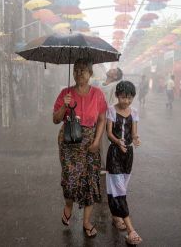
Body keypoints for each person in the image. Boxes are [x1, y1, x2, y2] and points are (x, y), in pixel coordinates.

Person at [53, 58, 107, 237]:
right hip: (69, 141)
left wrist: (97, 141)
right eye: (76, 70)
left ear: (90, 73)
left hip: (91, 142)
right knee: (70, 179)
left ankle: (86, 222)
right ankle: (68, 205)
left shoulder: (98, 94)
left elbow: (101, 119)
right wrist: (65, 106)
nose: (78, 73)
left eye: (83, 70)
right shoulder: (65, 93)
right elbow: (55, 119)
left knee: (90, 180)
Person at [106, 81, 142, 245]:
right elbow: (109, 133)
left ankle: (116, 217)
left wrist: (136, 139)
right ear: (117, 96)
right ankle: (131, 230)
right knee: (119, 190)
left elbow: (134, 133)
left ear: (133, 98)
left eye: (129, 98)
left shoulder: (134, 112)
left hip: (128, 154)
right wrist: (118, 142)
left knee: (120, 189)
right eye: (122, 97)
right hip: (114, 152)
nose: (125, 101)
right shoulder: (112, 110)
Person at [100, 67, 123, 174]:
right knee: (98, 139)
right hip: (96, 115)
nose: (110, 70)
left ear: (115, 76)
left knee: (105, 141)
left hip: (105, 116)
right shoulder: (101, 84)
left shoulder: (114, 86)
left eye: (114, 70)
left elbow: (113, 103)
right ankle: (99, 162)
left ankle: (105, 165)